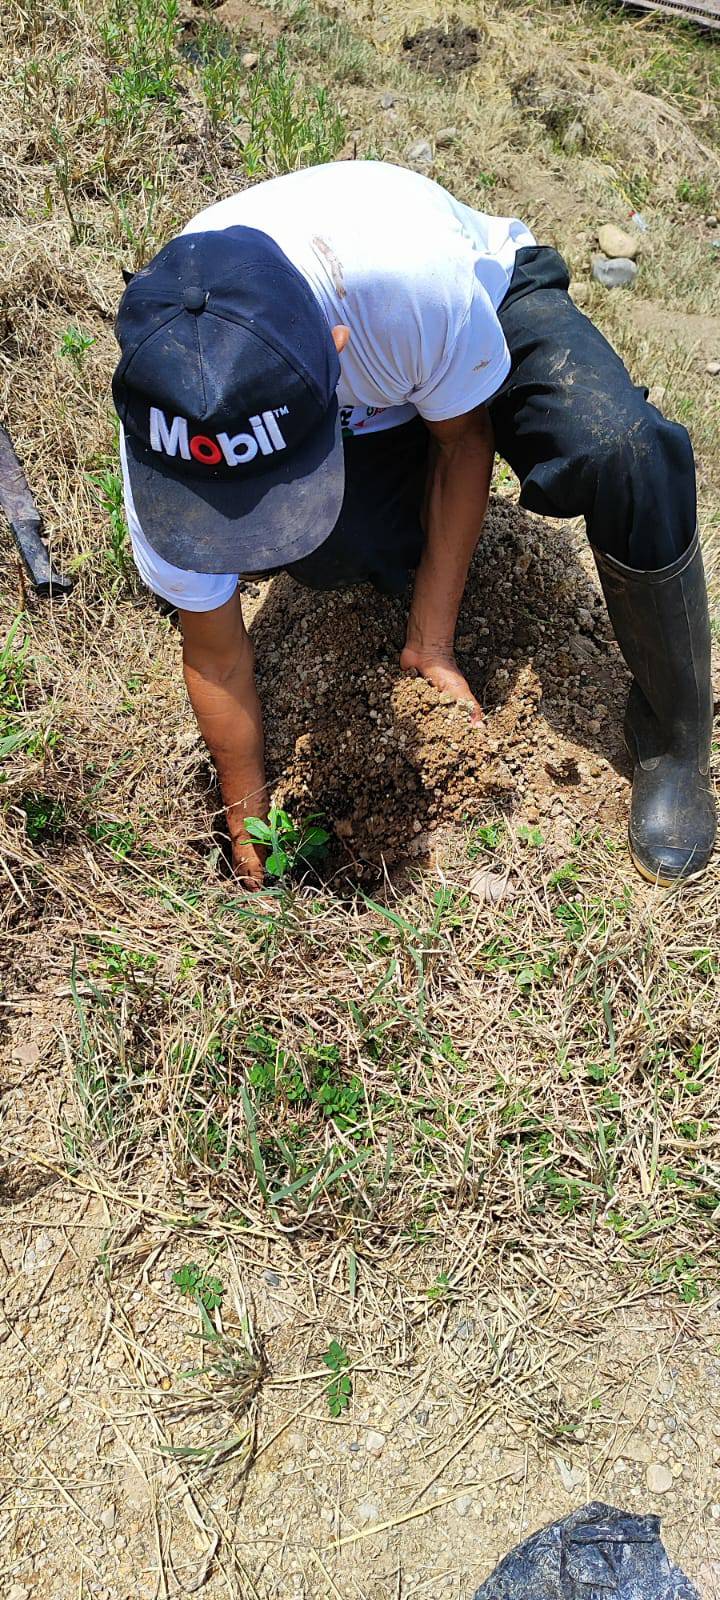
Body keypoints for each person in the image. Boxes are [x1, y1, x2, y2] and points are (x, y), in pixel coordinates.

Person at [113, 160, 716, 889]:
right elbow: (213, 654)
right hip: (381, 382)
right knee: (338, 550)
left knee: (622, 447)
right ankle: (389, 515)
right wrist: (247, 814)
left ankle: (676, 736)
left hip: (474, 304)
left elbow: (463, 440)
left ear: (331, 350)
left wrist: (432, 642)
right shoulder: (173, 403)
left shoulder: (409, 289)